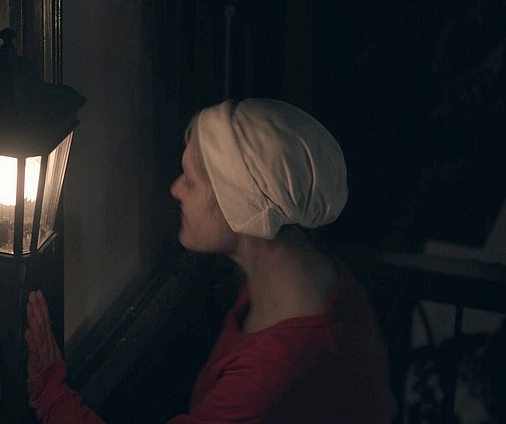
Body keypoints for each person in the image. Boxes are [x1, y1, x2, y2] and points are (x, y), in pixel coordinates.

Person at [24, 99, 396, 423]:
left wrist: (50, 393)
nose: (176, 189)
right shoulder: (308, 274)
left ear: (241, 205)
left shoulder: (276, 368)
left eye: (191, 180)